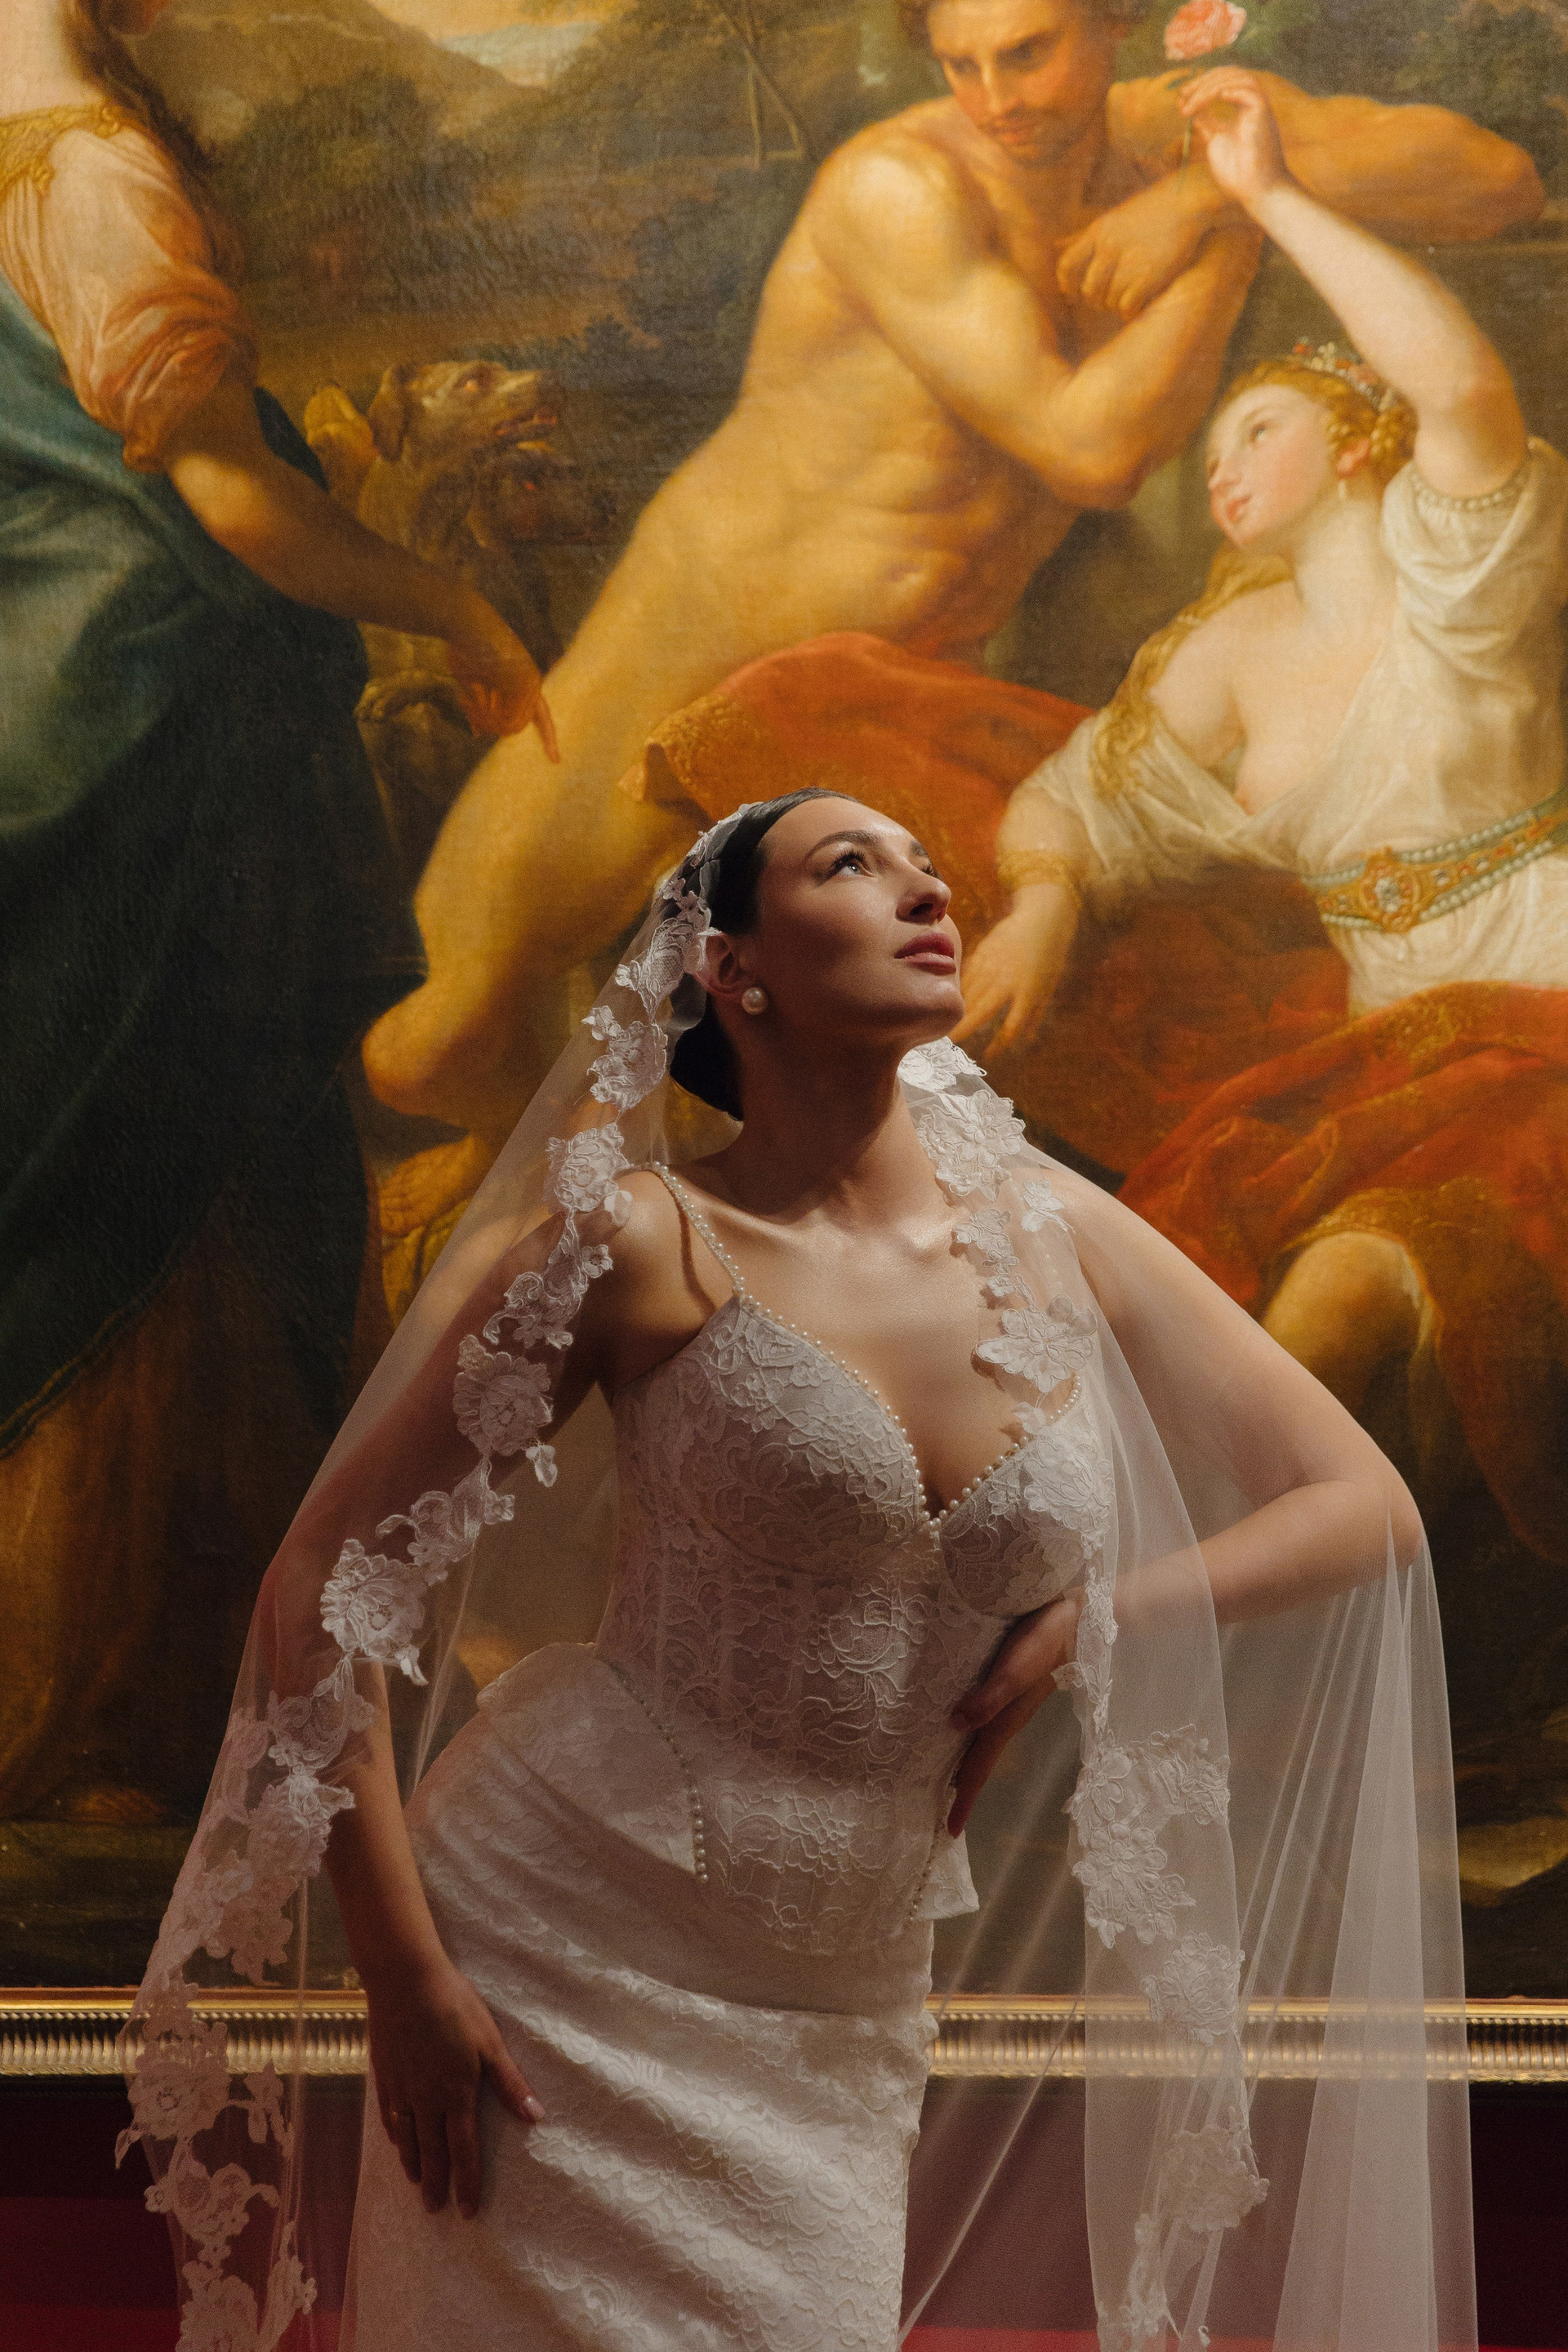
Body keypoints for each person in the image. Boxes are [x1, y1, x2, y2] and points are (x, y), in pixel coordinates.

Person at [125, 791, 1469, 2352]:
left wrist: (1091, 1620)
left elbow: (1361, 1504)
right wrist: (404, 1975)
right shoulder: (637, 1241)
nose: (929, 890)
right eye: (852, 866)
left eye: (927, 865)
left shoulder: (1054, 1234)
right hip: (551, 1951)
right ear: (734, 968)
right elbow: (320, 1589)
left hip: (840, 2011)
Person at [360, 0, 1540, 1144]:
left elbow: (1496, 181)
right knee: (446, 1034)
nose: (995, 99)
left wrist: (1202, 191)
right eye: (960, 63)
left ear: (1113, 22)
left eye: (1026, 53)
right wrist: (1235, 224)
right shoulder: (903, 187)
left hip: (897, 687)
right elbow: (1092, 451)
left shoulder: (1174, 138)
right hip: (707, 636)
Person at [0, 0, 555, 1820]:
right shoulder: (92, 172)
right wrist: (449, 603)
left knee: (84, 1177)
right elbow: (236, 498)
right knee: (175, 1190)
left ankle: (132, 1698)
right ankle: (139, 1699)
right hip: (149, 751)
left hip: (40, 722)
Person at [960, 69, 1568, 1556]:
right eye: (1216, 448)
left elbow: (1461, 391)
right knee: (1190, 1339)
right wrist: (1044, 901)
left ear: (1358, 442)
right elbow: (1077, 802)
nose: (1224, 470)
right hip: (1386, 1047)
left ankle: (1249, 1629)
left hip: (1551, 1013)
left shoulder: (1456, 579)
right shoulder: (1227, 656)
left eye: (1262, 431)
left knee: (1331, 1311)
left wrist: (1273, 196)